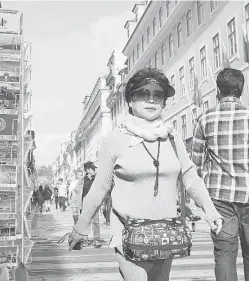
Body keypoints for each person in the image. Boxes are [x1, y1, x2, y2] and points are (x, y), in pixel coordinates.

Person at [68, 67, 223, 281]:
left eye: (157, 95)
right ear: (130, 101)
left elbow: (190, 177)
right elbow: (100, 188)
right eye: (143, 94)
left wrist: (211, 211)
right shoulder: (114, 139)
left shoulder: (172, 137)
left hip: (166, 235)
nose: (151, 100)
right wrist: (81, 225)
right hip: (129, 236)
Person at [191, 68, 249, 281]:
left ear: (218, 91)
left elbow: (194, 166)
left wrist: (200, 200)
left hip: (219, 200)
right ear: (241, 90)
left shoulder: (204, 119)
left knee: (224, 254)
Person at [82, 161, 102, 248]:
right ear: (87, 170)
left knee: (96, 222)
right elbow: (79, 194)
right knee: (86, 223)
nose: (94, 170)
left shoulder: (97, 179)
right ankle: (85, 240)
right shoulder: (82, 181)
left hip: (95, 203)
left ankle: (96, 240)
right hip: (86, 204)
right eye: (92, 169)